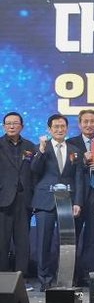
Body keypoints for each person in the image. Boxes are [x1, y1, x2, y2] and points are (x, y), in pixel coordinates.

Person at [31, 114, 84, 291]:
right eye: (56, 127)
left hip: (68, 201)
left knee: (67, 243)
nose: (59, 129)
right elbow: (34, 169)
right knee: (43, 242)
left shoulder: (75, 150)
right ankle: (45, 279)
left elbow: (79, 178)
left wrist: (78, 202)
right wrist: (41, 150)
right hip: (45, 201)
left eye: (62, 126)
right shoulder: (41, 148)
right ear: (49, 129)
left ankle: (65, 278)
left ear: (67, 128)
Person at [65, 109, 94, 285]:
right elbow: (67, 169)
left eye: (92, 121)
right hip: (76, 197)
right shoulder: (71, 143)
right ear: (79, 124)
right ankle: (70, 275)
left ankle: (88, 274)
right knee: (72, 237)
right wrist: (82, 161)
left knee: (92, 237)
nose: (89, 125)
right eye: (85, 122)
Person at [0, 112, 36, 287]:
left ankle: (22, 279)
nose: (11, 126)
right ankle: (2, 278)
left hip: (24, 198)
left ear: (22, 126)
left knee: (22, 241)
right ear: (3, 126)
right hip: (3, 199)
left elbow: (34, 173)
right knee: (2, 241)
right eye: (8, 123)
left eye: (15, 123)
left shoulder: (30, 146)